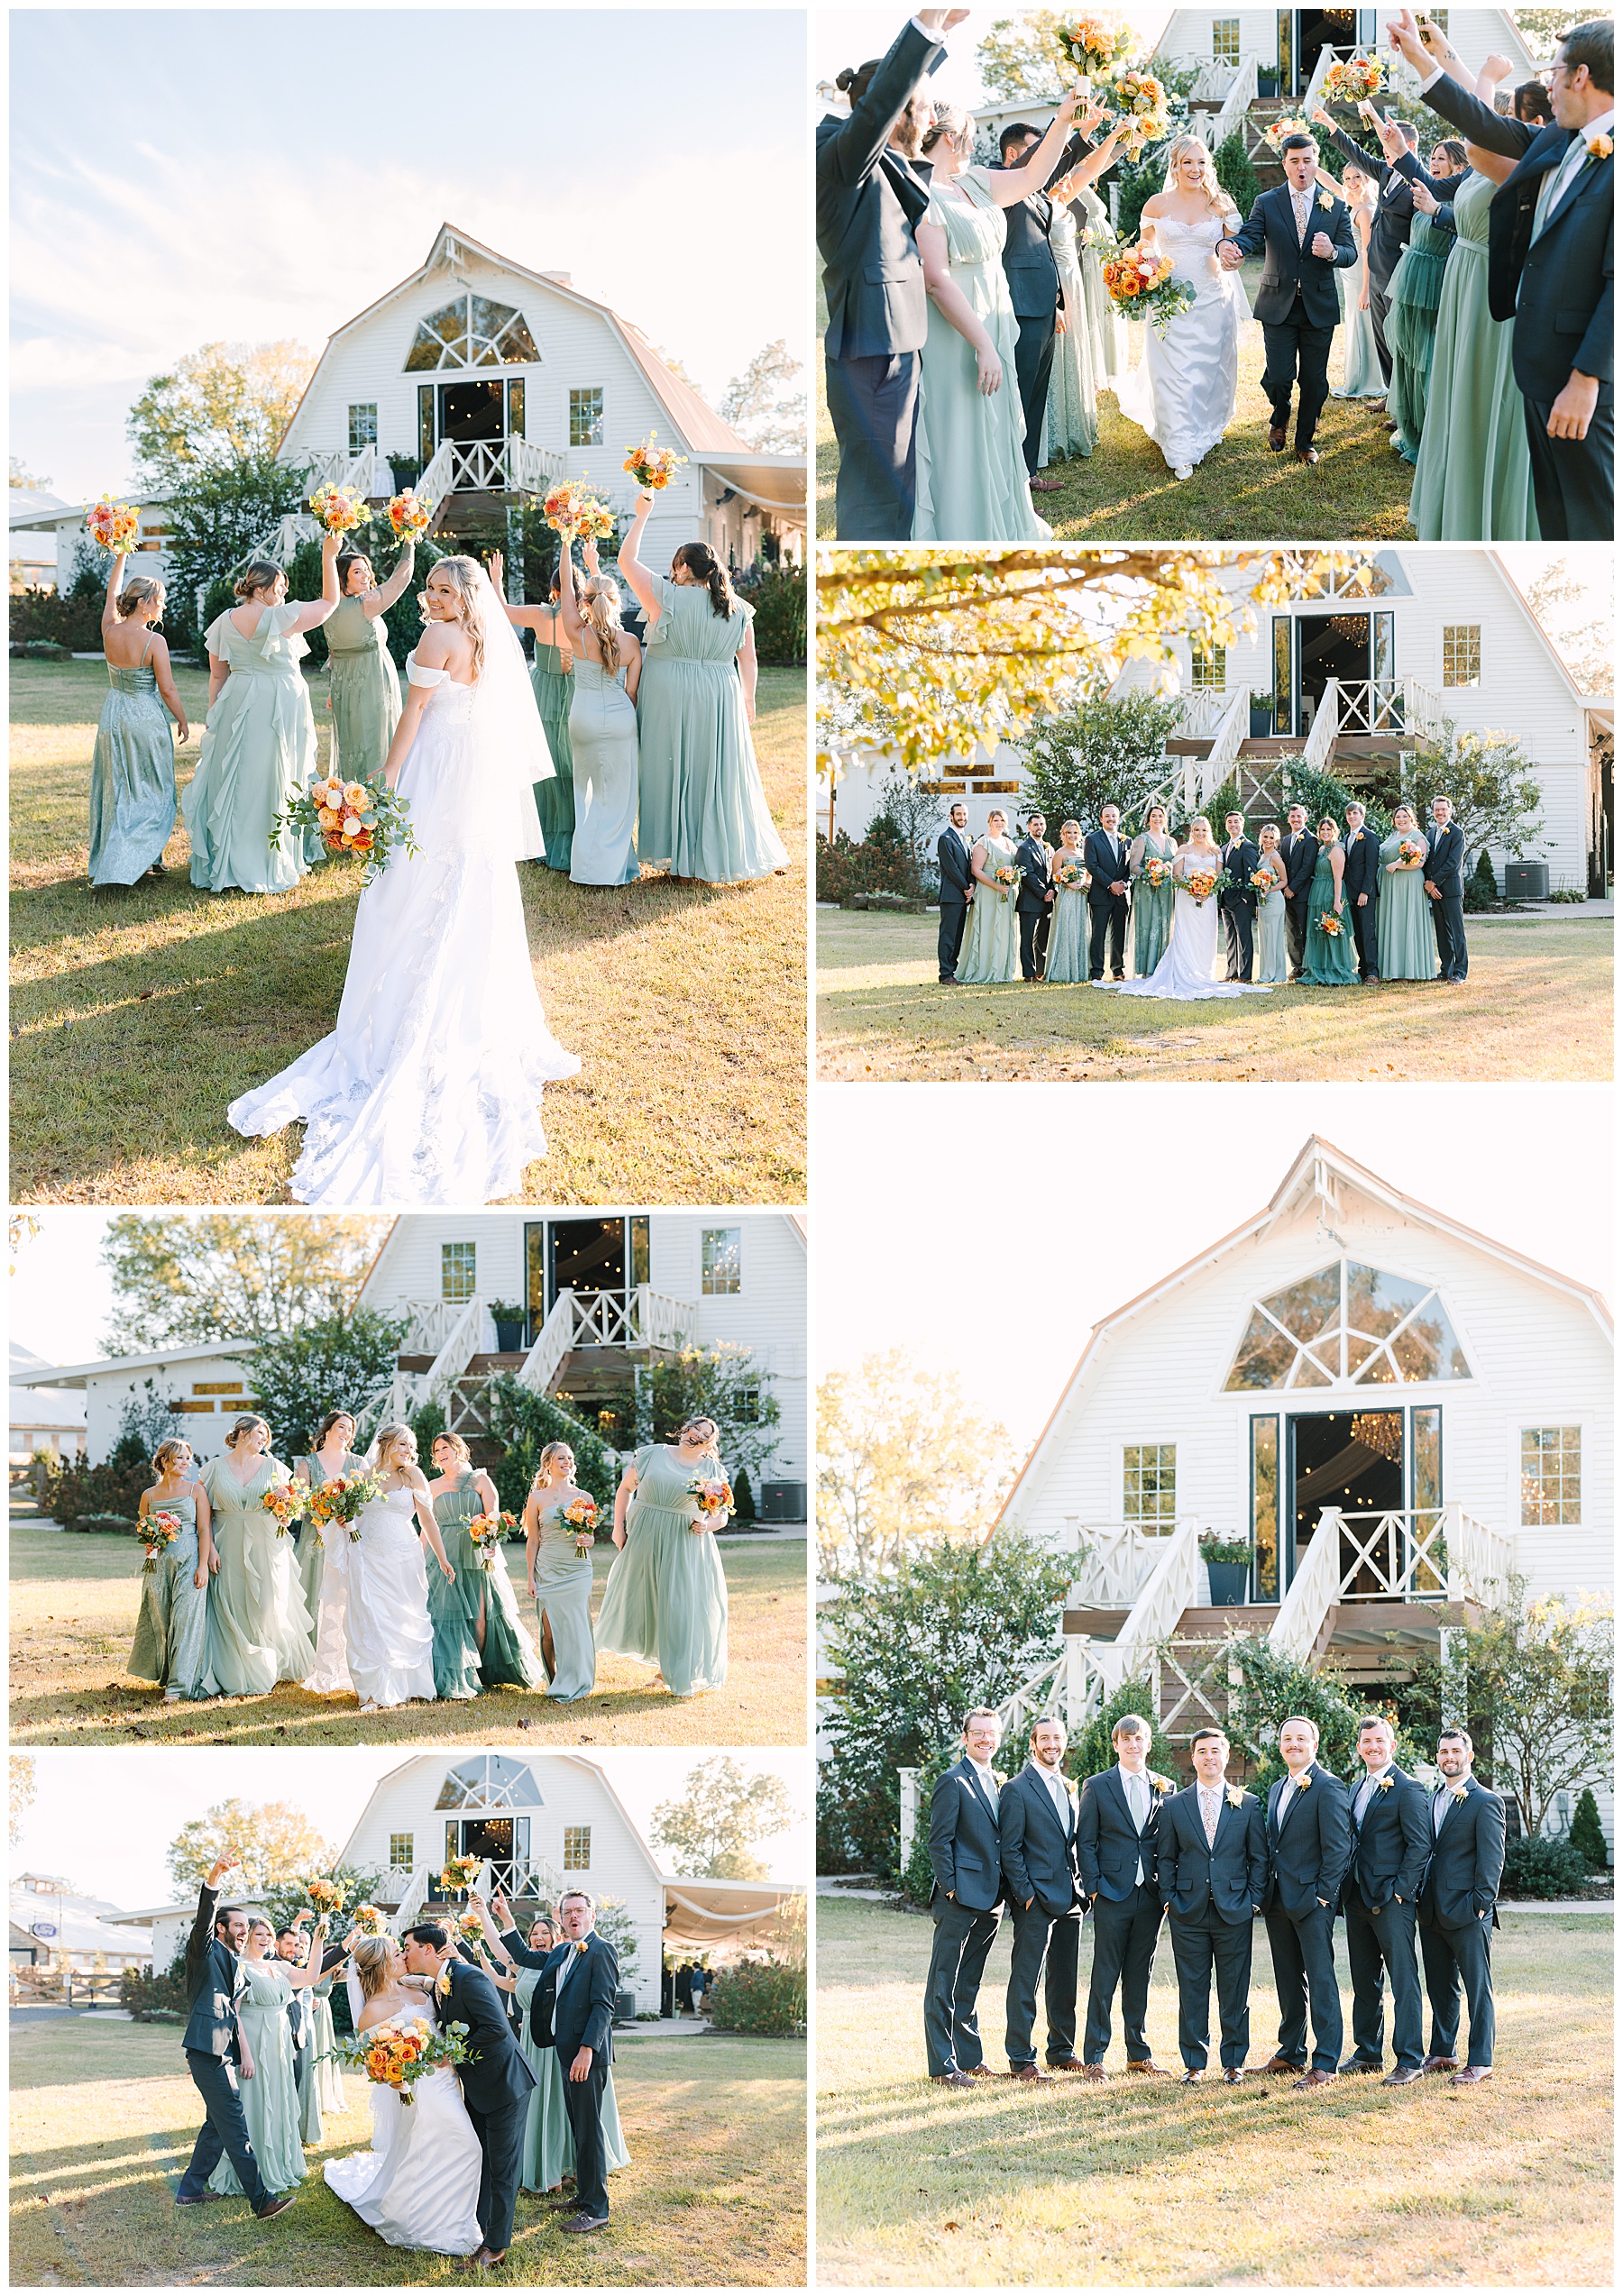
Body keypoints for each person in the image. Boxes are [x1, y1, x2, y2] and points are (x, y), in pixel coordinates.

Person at [225, 554, 578, 1203]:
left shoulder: (437, 638)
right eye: (433, 588)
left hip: (434, 770)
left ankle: (400, 1004)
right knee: (461, 877)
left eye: (447, 589)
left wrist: (386, 780)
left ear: (465, 594)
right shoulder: (481, 637)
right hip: (468, 771)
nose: (435, 597)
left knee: (406, 885)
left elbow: (412, 717)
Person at [1389, 8, 1613, 539]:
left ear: (1581, 76)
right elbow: (1484, 124)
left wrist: (1586, 379)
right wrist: (1426, 62)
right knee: (1555, 510)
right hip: (1534, 362)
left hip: (1578, 378)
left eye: (1555, 71)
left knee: (1595, 516)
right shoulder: (1564, 139)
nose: (1548, 84)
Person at [912, 98, 1096, 539]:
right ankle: (966, 527)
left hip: (996, 318)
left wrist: (1065, 122)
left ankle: (1005, 516)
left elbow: (1034, 176)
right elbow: (935, 279)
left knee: (997, 428)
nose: (976, 143)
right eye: (971, 134)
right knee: (962, 429)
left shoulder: (973, 181)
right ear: (953, 137)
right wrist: (983, 346)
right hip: (958, 333)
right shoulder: (920, 194)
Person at [818, 12, 958, 538]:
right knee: (878, 495)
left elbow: (890, 97)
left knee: (897, 485)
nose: (931, 123)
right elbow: (882, 104)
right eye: (922, 111)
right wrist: (925, 26)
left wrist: (941, 38)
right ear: (895, 114)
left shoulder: (879, 160)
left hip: (892, 342)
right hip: (872, 349)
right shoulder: (839, 160)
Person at [1402, 59, 1539, 538]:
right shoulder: (1488, 168)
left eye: (1514, 115)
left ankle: (1482, 509)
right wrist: (1437, 55)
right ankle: (1448, 498)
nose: (1506, 124)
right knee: (1454, 389)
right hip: (1462, 276)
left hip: (1489, 285)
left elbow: (1475, 139)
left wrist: (1485, 79)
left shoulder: (1527, 164)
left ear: (1535, 123)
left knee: (1480, 394)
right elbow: (1461, 156)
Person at [618, 498, 787, 883]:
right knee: (713, 773)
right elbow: (749, 661)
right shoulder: (737, 606)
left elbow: (626, 562)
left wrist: (642, 515)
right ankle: (708, 855)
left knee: (670, 769)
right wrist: (748, 700)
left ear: (682, 567)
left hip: (667, 692)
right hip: (719, 693)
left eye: (675, 565)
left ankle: (678, 858)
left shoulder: (664, 594)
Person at [183, 535, 340, 893]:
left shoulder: (224, 620)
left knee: (239, 778)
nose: (283, 594)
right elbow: (330, 602)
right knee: (273, 776)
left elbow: (218, 674)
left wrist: (215, 714)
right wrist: (328, 555)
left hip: (238, 700)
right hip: (276, 703)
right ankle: (266, 858)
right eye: (280, 587)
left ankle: (233, 856)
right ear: (264, 588)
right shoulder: (279, 616)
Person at [326, 1932, 483, 2255]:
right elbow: (374, 2065)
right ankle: (436, 2223)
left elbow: (454, 1987)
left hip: (449, 2082)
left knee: (440, 2150)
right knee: (467, 2148)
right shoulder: (372, 2011)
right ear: (384, 1964)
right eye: (397, 1955)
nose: (403, 1957)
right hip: (420, 2091)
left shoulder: (418, 1986)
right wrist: (395, 2079)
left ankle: (450, 2215)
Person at [398, 1920, 537, 2262]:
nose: (405, 1954)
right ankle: (479, 2227)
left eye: (408, 1948)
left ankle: (496, 2247)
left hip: (505, 2084)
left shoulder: (470, 1977)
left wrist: (453, 2055)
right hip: (477, 2089)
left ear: (427, 1950)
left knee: (503, 2167)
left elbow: (496, 2028)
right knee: (483, 2160)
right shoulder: (441, 1983)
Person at [485, 1888, 631, 2207]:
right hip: (566, 2055)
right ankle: (583, 2197)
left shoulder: (601, 1950)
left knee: (590, 2131)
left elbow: (603, 2006)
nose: (574, 1916)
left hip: (586, 2057)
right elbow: (523, 1958)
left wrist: (586, 2051)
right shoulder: (563, 1952)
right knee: (579, 2129)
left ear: (592, 1915)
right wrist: (504, 1918)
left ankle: (596, 2209)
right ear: (562, 1920)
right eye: (568, 1912)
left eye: (580, 1910)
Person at [1219, 133, 1357, 465]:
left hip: (1319, 307)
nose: (1301, 167)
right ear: (1285, 164)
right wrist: (1228, 246)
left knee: (1315, 381)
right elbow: (1250, 235)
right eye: (1294, 161)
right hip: (1277, 304)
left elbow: (1350, 252)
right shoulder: (1267, 202)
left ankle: (1305, 441)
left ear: (1316, 162)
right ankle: (1280, 415)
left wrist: (1333, 252)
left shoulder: (1335, 204)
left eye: (1307, 160)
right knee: (1280, 376)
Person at [990, 104, 1107, 494]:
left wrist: (1056, 300)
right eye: (1037, 149)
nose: (1047, 158)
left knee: (1036, 394)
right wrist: (1072, 132)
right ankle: (1010, 485)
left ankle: (1028, 474)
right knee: (1018, 397)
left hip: (1042, 302)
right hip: (1018, 304)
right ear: (1015, 155)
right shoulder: (1002, 185)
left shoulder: (1036, 193)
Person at [175, 1856, 296, 2219]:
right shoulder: (205, 1951)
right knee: (233, 2123)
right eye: (239, 1926)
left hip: (222, 2052)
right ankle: (262, 2201)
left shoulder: (236, 1964)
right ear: (221, 1928)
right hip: (207, 2052)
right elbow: (203, 1921)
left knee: (216, 2124)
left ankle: (189, 2191)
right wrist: (214, 1878)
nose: (245, 1931)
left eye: (248, 1926)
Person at [1118, 136, 1246, 479]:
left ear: (1209, 166)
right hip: (1168, 302)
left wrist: (1232, 257)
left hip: (1212, 298)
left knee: (1208, 371)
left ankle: (1204, 429)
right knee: (1173, 374)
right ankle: (1178, 447)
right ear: (1175, 165)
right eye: (1188, 162)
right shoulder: (1157, 204)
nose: (1195, 169)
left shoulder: (1221, 203)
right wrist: (1140, 272)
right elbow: (1144, 249)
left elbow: (1232, 246)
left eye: (1201, 162)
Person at [1158, 1728, 1267, 2083]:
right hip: (1187, 1911)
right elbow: (1165, 1858)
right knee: (1192, 1988)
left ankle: (1233, 2062)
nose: (1209, 1757)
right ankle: (1194, 2063)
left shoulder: (1247, 1803)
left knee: (1235, 1989)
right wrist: (1170, 1900)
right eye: (1202, 1751)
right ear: (1193, 1758)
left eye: (1215, 1751)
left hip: (1234, 1909)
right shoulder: (1174, 1805)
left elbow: (1259, 1859)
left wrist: (1252, 1901)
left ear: (1226, 1755)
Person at [596, 1416, 730, 1697]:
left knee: (678, 1603)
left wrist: (707, 1525)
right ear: (685, 1429)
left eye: (704, 1434)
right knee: (646, 1598)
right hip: (644, 1535)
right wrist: (617, 1529)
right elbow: (625, 1489)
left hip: (684, 1542)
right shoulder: (652, 1454)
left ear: (708, 1444)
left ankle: (673, 1671)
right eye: (695, 1428)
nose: (696, 1435)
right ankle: (661, 1664)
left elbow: (721, 1518)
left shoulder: (711, 1470)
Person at [1075, 1713, 1171, 2079]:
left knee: (1140, 1975)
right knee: (1105, 1975)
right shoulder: (1098, 1786)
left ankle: (1138, 2053)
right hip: (1111, 1894)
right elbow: (1086, 1841)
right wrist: (1095, 1888)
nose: (1133, 1745)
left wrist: (1165, 1889)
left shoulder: (1166, 1786)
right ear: (1116, 1745)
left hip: (1149, 1895)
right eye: (1126, 1740)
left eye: (1139, 1739)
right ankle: (1095, 2056)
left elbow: (1167, 1842)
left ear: (1148, 1743)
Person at [1258, 1717, 1352, 2090]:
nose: (1292, 1744)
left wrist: (1323, 1895)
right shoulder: (1277, 1787)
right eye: (1286, 1739)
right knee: (1287, 1978)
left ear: (1315, 1742)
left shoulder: (1328, 1786)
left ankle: (1326, 2061)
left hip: (1313, 1900)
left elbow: (1339, 1847)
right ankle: (1291, 2051)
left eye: (1300, 1738)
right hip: (1278, 1899)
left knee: (1320, 1977)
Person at [1340, 1715, 1431, 2084]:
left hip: (1392, 1902)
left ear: (1392, 1746)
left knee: (1403, 1978)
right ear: (1359, 1747)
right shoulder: (1354, 1789)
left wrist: (1400, 1891)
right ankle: (1367, 2052)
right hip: (1357, 1898)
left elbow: (1420, 1844)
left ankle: (1410, 2058)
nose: (1373, 1747)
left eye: (1380, 1741)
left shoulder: (1408, 1789)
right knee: (1364, 1980)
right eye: (1366, 1742)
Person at [206, 1914, 322, 2198]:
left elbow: (311, 1976)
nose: (265, 1939)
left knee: (279, 2097)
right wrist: (245, 2054)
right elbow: (234, 2013)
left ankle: (281, 2163)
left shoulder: (279, 1966)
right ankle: (249, 2169)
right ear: (247, 1938)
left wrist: (318, 1939)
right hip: (254, 2042)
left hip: (279, 2043)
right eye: (259, 1934)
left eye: (269, 1935)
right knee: (254, 2101)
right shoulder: (239, 1967)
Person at [198, 1415, 315, 1696]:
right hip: (226, 1543)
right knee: (231, 1603)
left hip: (266, 1542)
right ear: (241, 1434)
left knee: (266, 1606)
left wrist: (286, 1515)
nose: (264, 1439)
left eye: (266, 1435)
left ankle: (267, 1663)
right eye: (259, 1433)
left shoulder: (275, 1467)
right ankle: (236, 1667)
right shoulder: (213, 1468)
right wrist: (210, 1548)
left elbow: (292, 1508)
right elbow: (204, 1515)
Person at [341, 1423, 454, 1710]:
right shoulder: (365, 1476)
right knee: (373, 1618)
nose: (409, 1452)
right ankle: (378, 1689)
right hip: (369, 1556)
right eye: (404, 1445)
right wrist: (343, 1520)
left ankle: (410, 1685)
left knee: (404, 1617)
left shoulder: (413, 1475)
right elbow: (352, 1515)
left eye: (412, 1447)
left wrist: (442, 1558)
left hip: (404, 1557)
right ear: (388, 1444)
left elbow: (427, 1520)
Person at [90, 555, 188, 886]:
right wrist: (184, 720)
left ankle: (144, 858)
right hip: (145, 717)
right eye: (159, 602)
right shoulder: (154, 641)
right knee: (154, 789)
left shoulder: (109, 631)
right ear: (144, 604)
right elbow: (169, 689)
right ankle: (126, 864)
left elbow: (110, 594)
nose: (163, 607)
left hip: (113, 716)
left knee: (120, 788)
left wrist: (121, 556)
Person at [1417, 1727, 1506, 2084]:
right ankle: (1443, 2051)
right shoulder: (1433, 1797)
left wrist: (1481, 1904)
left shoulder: (1486, 1801)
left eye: (1455, 1751)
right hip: (1432, 1909)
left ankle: (1481, 2060)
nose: (1448, 1757)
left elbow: (1492, 1858)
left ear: (1470, 1756)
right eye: (1443, 1752)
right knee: (1440, 1985)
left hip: (1469, 1910)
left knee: (1477, 1988)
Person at [923, 1709, 1006, 2088]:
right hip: (959, 1898)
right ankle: (943, 2066)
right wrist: (952, 1887)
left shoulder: (1000, 1783)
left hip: (993, 1898)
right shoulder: (952, 1781)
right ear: (965, 1737)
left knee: (969, 1982)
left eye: (991, 1733)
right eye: (978, 1733)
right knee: (944, 1980)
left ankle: (970, 2060)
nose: (985, 1739)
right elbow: (938, 1841)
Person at [997, 1716, 1082, 2079]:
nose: (1052, 1744)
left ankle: (1061, 2051)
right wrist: (1027, 1895)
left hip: (1070, 1898)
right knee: (1026, 1980)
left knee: (1064, 1980)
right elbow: (1010, 1848)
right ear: (1033, 1744)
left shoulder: (1068, 1786)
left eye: (1057, 1738)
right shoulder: (1017, 1788)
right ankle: (1021, 2058)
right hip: (1035, 1901)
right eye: (1044, 1738)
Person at [554, 536, 640, 887]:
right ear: (617, 602)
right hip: (620, 719)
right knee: (617, 798)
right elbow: (631, 693)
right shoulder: (631, 643)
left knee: (586, 796)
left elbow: (565, 584)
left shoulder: (576, 634)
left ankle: (586, 870)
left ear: (583, 602)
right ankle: (613, 869)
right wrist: (595, 570)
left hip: (583, 719)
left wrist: (565, 546)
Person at [427, 1431, 542, 1696]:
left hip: (477, 1553)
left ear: (458, 1449)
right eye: (436, 1451)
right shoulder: (431, 1486)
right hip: (443, 1555)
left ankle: (479, 1671)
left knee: (481, 1617)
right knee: (445, 1617)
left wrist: (491, 1543)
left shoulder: (480, 1479)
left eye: (445, 1448)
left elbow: (493, 1517)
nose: (441, 1454)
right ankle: (454, 1673)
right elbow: (428, 1527)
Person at [1116, 816, 1277, 1002]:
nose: (1201, 833)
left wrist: (1207, 891)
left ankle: (1203, 972)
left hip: (1208, 899)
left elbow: (1218, 876)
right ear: (1192, 832)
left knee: (1205, 934)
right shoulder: (1184, 849)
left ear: (1209, 832)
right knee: (1187, 933)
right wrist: (1191, 889)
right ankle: (1184, 971)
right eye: (1197, 830)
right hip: (1187, 899)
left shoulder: (1216, 850)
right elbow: (1176, 875)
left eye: (1204, 830)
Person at [1318, 107, 1426, 385]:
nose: (1383, 151)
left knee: (1400, 338)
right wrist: (1332, 125)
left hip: (1398, 272)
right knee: (1382, 340)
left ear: (1408, 146)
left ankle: (1406, 400)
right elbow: (1356, 155)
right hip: (1376, 271)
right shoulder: (1386, 173)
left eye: (1388, 143)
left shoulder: (1421, 180)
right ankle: (1391, 395)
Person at [1380, 138, 1466, 462]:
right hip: (1409, 284)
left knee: (1429, 359)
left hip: (1433, 288)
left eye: (1440, 158)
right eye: (1431, 156)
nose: (1433, 161)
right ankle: (1413, 425)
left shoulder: (1460, 199)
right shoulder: (1427, 193)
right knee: (1408, 357)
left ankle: (1437, 430)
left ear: (1458, 166)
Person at [491, 545, 576, 869]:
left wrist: (497, 581)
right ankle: (576, 830)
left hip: (544, 691)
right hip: (577, 692)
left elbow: (504, 611)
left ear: (555, 590)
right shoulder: (584, 619)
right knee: (572, 763)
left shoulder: (543, 616)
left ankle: (543, 832)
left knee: (545, 761)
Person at [128, 1438, 216, 1702]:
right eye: (179, 1458)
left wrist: (203, 1565)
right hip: (157, 1566)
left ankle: (178, 1689)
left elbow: (204, 1530)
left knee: (185, 1620)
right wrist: (149, 1543)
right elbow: (144, 1529)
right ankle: (167, 1674)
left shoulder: (196, 1491)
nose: (185, 1463)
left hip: (190, 1562)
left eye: (188, 1458)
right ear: (164, 1461)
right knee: (162, 1619)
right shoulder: (149, 1495)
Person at [324, 543, 415, 779]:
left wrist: (332, 690)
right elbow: (399, 580)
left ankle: (354, 800)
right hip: (372, 679)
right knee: (376, 739)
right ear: (342, 578)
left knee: (353, 742)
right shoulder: (365, 604)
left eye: (366, 569)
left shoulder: (327, 608)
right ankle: (377, 797)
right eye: (357, 571)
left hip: (342, 683)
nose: (366, 575)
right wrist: (408, 544)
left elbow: (335, 649)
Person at [524, 1441, 598, 1700]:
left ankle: (578, 1678)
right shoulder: (537, 1498)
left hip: (578, 1568)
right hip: (549, 1568)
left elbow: (589, 1536)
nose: (567, 1462)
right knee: (551, 1630)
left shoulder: (584, 1498)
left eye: (569, 1458)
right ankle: (554, 1679)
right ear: (547, 1465)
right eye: (561, 1459)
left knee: (577, 1626)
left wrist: (588, 1540)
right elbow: (533, 1540)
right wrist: (531, 1577)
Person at [291, 1407, 367, 1660]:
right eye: (341, 1427)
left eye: (350, 1429)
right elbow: (299, 1503)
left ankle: (346, 1654)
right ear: (328, 1430)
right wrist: (323, 1513)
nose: (346, 1433)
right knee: (315, 1589)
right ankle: (311, 1653)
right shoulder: (308, 1463)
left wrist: (348, 1516)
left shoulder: (358, 1464)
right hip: (317, 1538)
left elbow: (367, 1505)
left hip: (349, 1536)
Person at [1325, 160, 1387, 400]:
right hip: (1350, 277)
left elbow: (1369, 251)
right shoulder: (1353, 201)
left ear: (1367, 180)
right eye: (1348, 178)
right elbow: (1329, 183)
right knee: (1354, 324)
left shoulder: (1366, 210)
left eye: (1357, 178)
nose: (1351, 183)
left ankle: (1367, 381)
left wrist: (1365, 290)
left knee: (1362, 325)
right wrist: (1313, 162)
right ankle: (1357, 377)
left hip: (1362, 276)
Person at [956, 808, 1020, 984]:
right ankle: (985, 969)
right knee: (989, 928)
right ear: (989, 822)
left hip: (1006, 893)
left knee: (1004, 929)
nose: (999, 824)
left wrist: (1011, 878)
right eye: (996, 820)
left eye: (1002, 821)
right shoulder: (983, 843)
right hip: (989, 892)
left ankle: (1001, 970)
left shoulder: (1009, 843)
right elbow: (976, 870)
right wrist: (997, 886)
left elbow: (1015, 866)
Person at [1377, 802, 1435, 980]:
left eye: (1405, 817)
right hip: (1389, 884)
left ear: (1412, 819)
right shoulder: (1393, 835)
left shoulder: (1418, 837)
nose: (1401, 820)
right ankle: (1393, 969)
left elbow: (1420, 861)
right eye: (1398, 817)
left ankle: (1410, 970)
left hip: (1408, 884)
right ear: (1394, 820)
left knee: (1406, 922)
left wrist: (1397, 865)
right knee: (1393, 922)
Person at [1301, 818, 1358, 987]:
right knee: (1319, 932)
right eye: (1322, 830)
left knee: (1332, 930)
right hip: (1317, 891)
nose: (1325, 832)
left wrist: (1337, 901)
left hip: (1331, 892)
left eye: (1328, 829)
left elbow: (1338, 878)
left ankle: (1335, 969)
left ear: (1334, 830)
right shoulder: (1321, 849)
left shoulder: (1337, 850)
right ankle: (1319, 968)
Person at [1423, 793, 1469, 983]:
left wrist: (1435, 881)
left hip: (1450, 890)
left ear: (1450, 811)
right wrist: (1428, 883)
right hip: (1434, 890)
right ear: (1433, 812)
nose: (1440, 812)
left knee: (1457, 932)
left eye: (1443, 809)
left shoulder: (1457, 833)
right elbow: (1426, 860)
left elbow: (1452, 862)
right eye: (1437, 810)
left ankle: (1460, 972)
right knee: (1442, 932)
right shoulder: (1430, 833)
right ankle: (1446, 971)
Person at [1083, 805, 1131, 983]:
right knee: (1098, 934)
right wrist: (1110, 884)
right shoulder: (1092, 839)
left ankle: (1118, 970)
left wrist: (1124, 884)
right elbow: (1092, 866)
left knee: (1119, 934)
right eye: (1107, 816)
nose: (1111, 819)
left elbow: (1130, 867)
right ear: (1101, 819)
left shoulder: (1127, 841)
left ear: (1118, 819)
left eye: (1114, 816)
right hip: (1101, 895)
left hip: (1121, 895)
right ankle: (1096, 971)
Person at [1044, 819, 1090, 983]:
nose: (1072, 836)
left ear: (1079, 835)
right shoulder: (1060, 853)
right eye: (1069, 833)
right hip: (1066, 896)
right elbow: (1054, 876)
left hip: (1081, 896)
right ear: (1063, 835)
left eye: (1075, 833)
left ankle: (1080, 971)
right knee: (1067, 929)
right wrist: (1067, 883)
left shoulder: (1083, 853)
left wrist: (1086, 883)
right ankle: (1061, 971)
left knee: (1080, 930)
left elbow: (1089, 872)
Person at [1341, 801, 1382, 981]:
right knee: (1357, 932)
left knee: (1367, 932)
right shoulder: (1345, 838)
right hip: (1349, 892)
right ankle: (1363, 968)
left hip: (1365, 893)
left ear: (1362, 816)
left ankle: (1373, 972)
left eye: (1355, 814)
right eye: (1349, 814)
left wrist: (1365, 891)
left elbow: (1371, 867)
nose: (1351, 817)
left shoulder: (1370, 837)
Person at [1217, 810, 1261, 983]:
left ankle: (1245, 975)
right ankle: (1231, 972)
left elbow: (1252, 873)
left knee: (1244, 937)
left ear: (1242, 824)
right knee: (1230, 938)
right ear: (1226, 825)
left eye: (1236, 821)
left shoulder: (1248, 846)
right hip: (1226, 900)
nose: (1233, 825)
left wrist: (1245, 896)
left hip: (1241, 900)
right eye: (1230, 822)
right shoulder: (1224, 848)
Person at [1013, 810, 1055, 982]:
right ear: (1029, 827)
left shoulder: (1049, 848)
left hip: (1047, 901)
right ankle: (1029, 975)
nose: (1039, 827)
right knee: (1028, 939)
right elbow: (1027, 874)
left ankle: (1040, 971)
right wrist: (1043, 892)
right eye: (1036, 824)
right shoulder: (1024, 848)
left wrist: (1052, 890)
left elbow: (1054, 872)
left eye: (1041, 824)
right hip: (1030, 902)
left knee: (1042, 939)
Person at [936, 800, 974, 983]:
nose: (962, 818)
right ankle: (945, 974)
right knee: (948, 935)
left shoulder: (965, 839)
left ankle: (953, 972)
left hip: (963, 896)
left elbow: (969, 866)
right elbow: (951, 869)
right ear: (951, 816)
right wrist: (967, 887)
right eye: (959, 814)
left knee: (958, 935)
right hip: (951, 895)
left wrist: (972, 884)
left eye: (965, 814)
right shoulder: (946, 838)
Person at [1278, 803, 1317, 977]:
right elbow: (1283, 866)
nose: (1295, 819)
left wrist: (1293, 888)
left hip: (1303, 894)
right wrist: (1284, 888)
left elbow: (1307, 867)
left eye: (1299, 816)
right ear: (1288, 819)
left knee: (1305, 930)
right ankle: (1297, 966)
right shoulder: (1285, 840)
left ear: (1305, 819)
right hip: (1286, 894)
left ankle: (1309, 966)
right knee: (1291, 931)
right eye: (1293, 817)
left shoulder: (1310, 840)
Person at [1253, 824, 1289, 983]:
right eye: (1265, 837)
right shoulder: (1261, 856)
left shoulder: (1275, 857)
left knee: (1273, 937)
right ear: (1261, 837)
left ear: (1276, 840)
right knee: (1265, 937)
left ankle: (1272, 975)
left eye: (1271, 838)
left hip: (1274, 901)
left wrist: (1270, 889)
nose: (1268, 840)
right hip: (1263, 902)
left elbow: (1284, 881)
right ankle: (1269, 972)